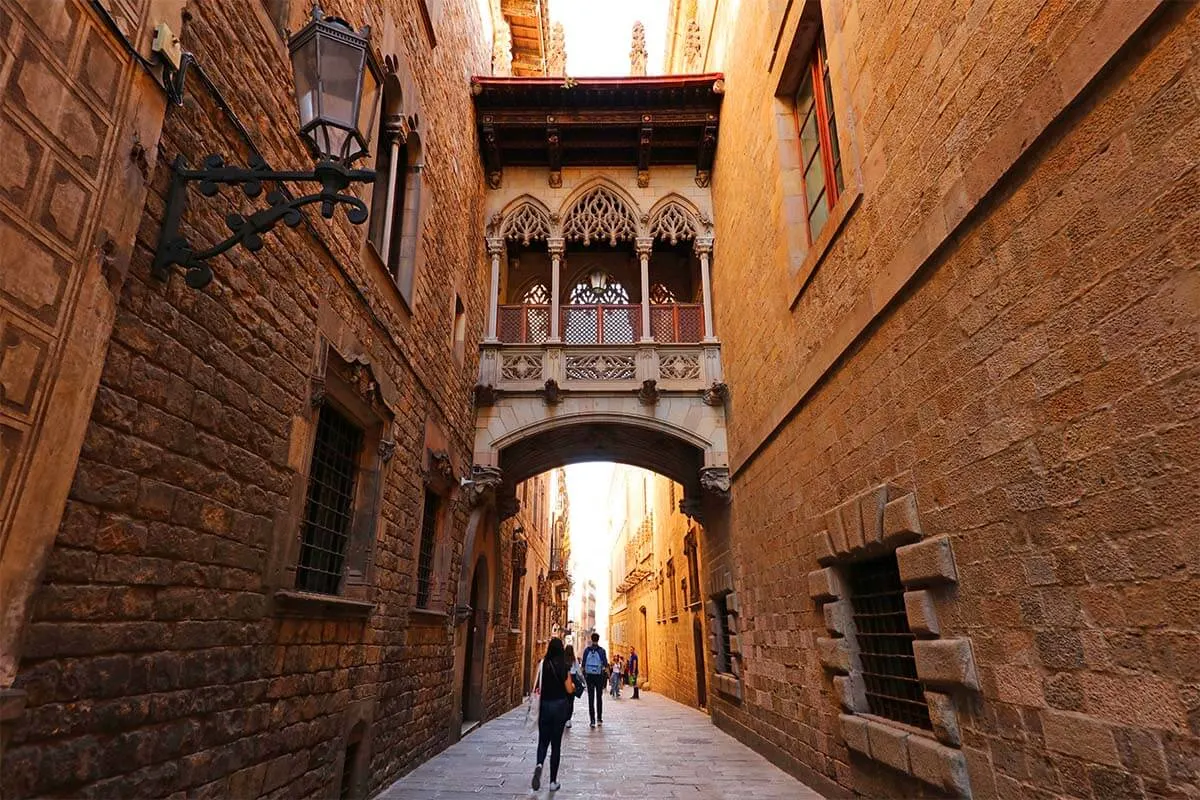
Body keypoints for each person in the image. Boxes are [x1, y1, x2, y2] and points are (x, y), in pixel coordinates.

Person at [532, 637, 572, 792]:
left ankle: (539, 764)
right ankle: (553, 782)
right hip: (560, 707)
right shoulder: (564, 666)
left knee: (543, 741)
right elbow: (569, 689)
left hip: (545, 706)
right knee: (556, 745)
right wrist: (573, 685)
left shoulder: (542, 664)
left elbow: (536, 685)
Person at [580, 632, 608, 728]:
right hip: (599, 676)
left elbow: (583, 665)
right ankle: (599, 718)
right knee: (599, 697)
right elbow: (605, 664)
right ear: (598, 639)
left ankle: (592, 720)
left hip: (590, 677)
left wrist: (585, 676)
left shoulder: (587, 651)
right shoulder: (602, 651)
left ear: (592, 639)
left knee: (591, 698)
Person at [563, 644, 584, 729]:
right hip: (572, 681)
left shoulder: (562, 659)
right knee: (571, 701)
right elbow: (579, 673)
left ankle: (563, 718)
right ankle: (568, 719)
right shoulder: (574, 660)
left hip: (564, 680)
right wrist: (583, 682)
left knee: (564, 700)